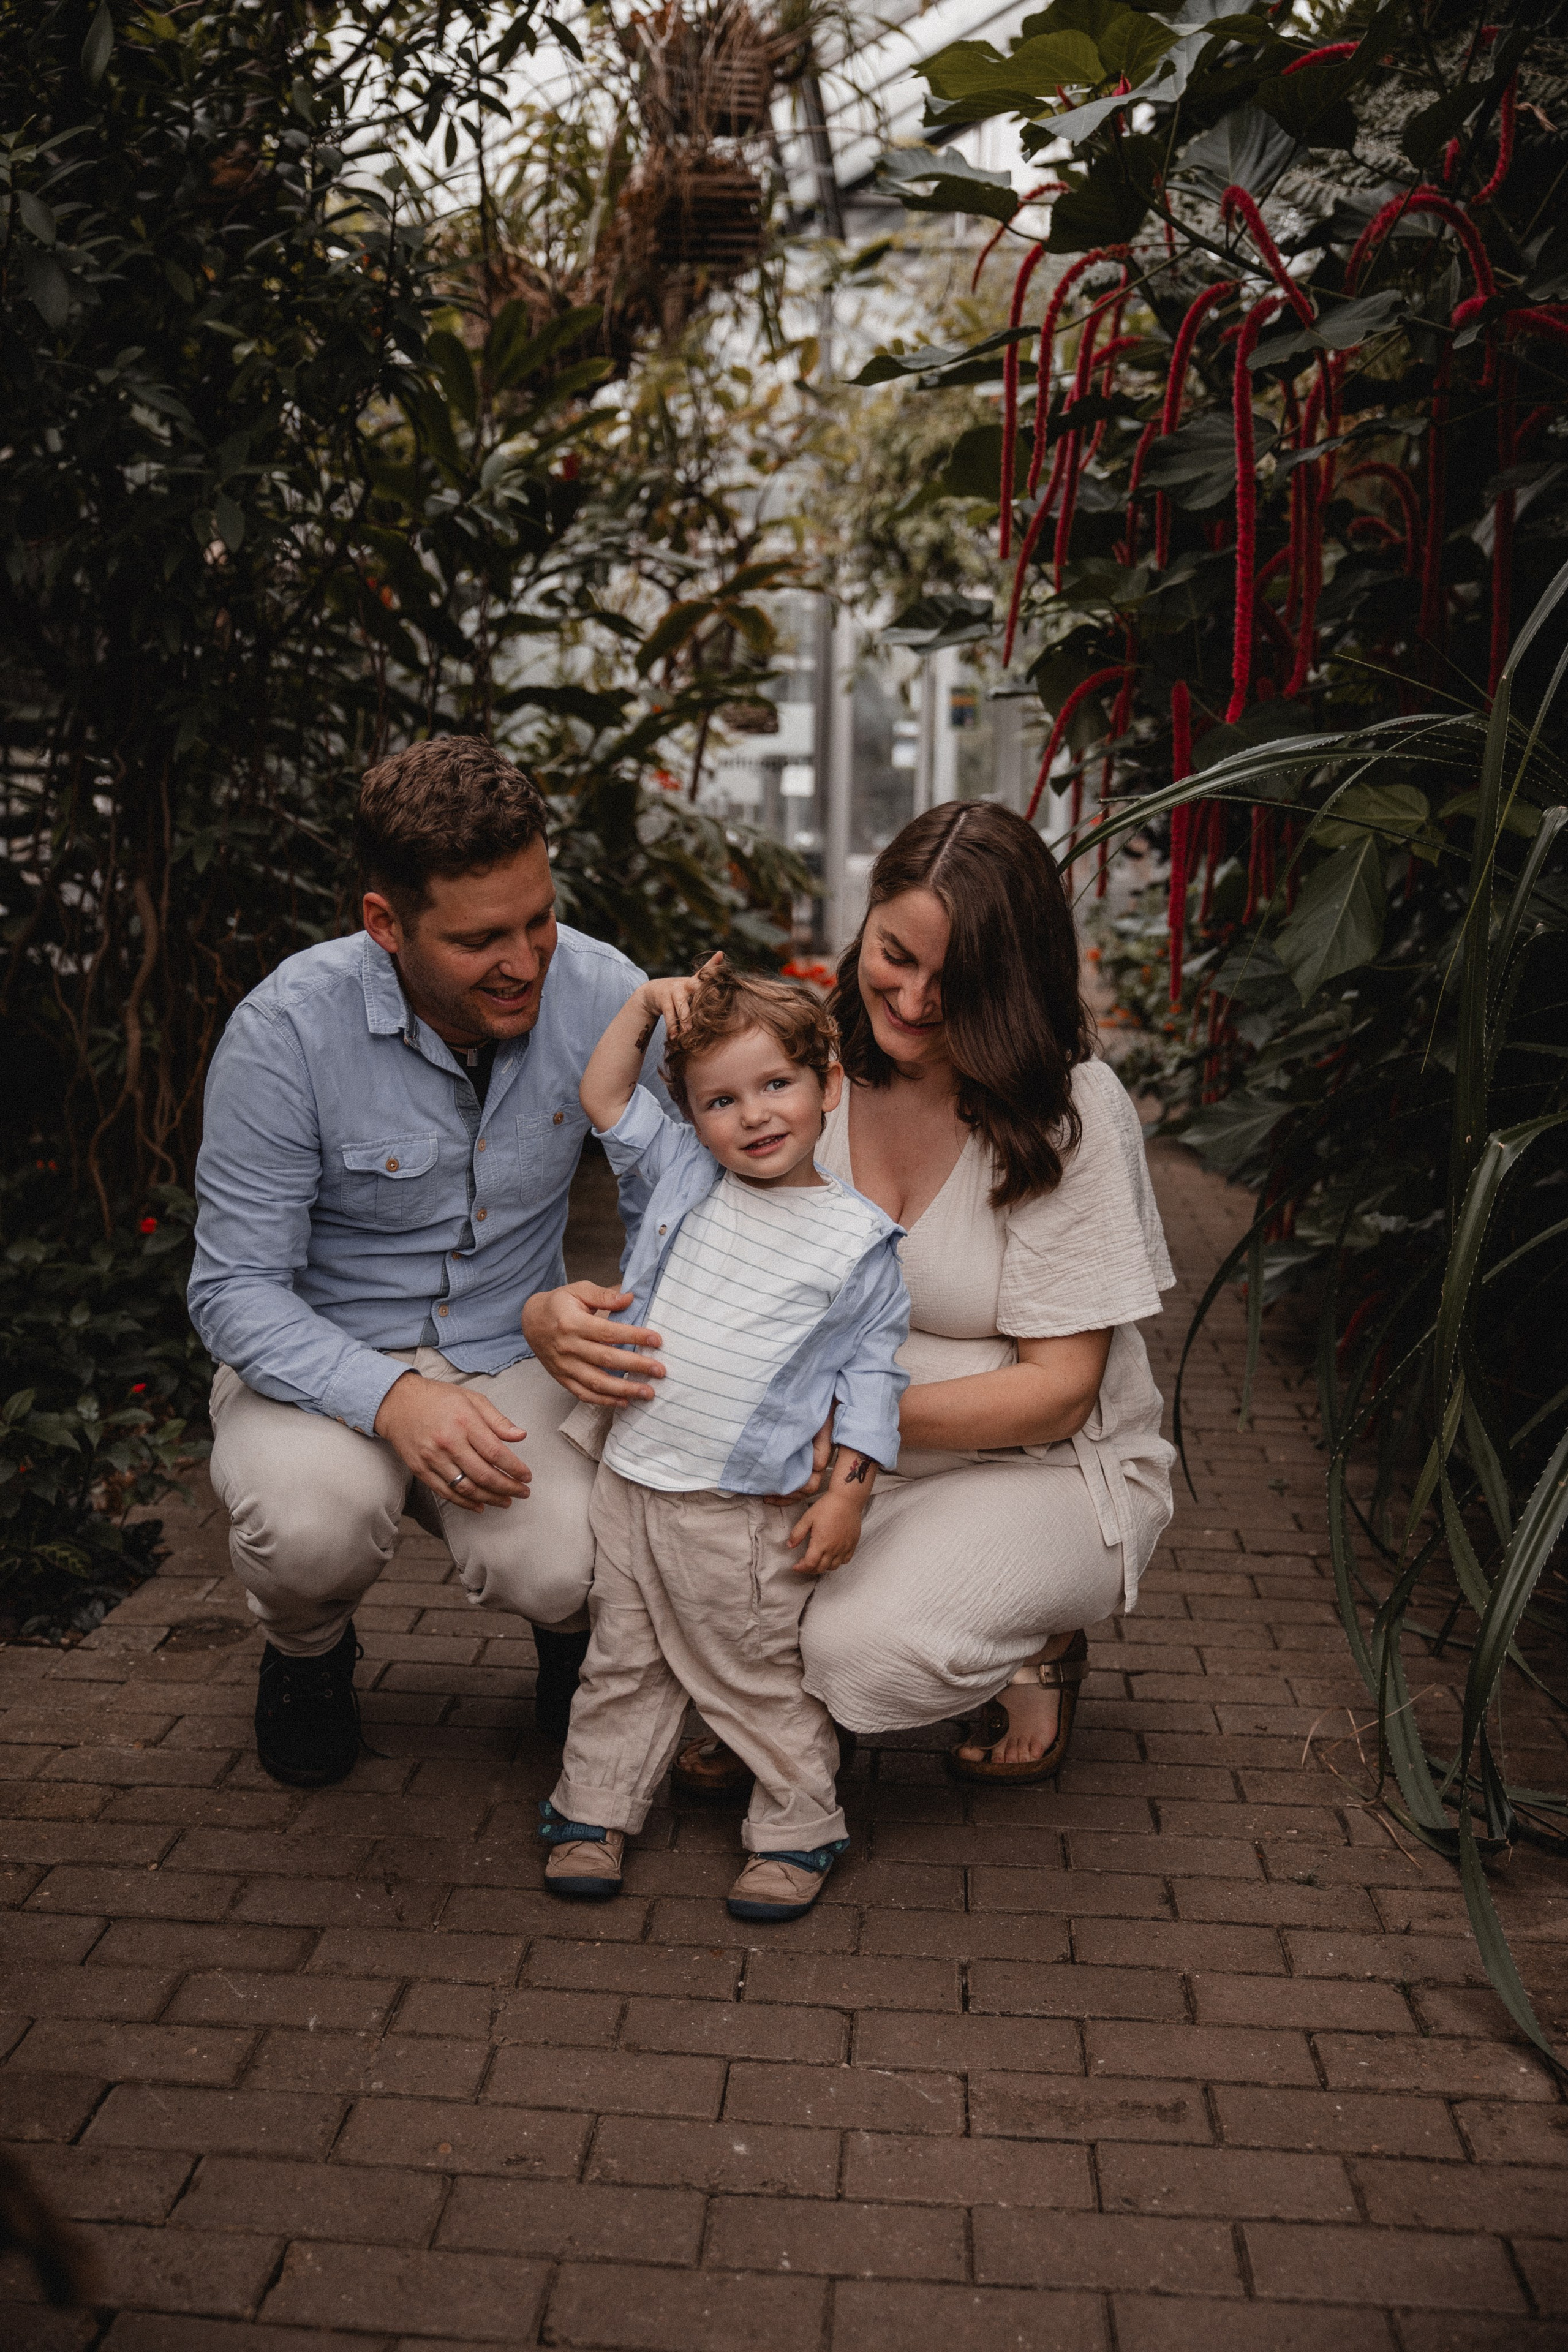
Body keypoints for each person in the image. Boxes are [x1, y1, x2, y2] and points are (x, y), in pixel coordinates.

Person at [189, 739, 680, 1787]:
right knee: (309, 1527)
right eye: (479, 939)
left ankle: (570, 1643)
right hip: (318, 1366)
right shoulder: (285, 1031)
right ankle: (308, 1656)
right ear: (385, 925)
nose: (527, 959)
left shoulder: (606, 994)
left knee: (577, 1559)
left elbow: (685, 1196)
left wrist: (612, 1319)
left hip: (513, 1352)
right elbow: (233, 1290)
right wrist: (394, 1398)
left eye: (539, 918)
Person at [682, 797, 1176, 1790]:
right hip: (848, 1462)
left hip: (1039, 1468)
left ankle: (1039, 1643)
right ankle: (790, 1681)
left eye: (955, 981)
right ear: (866, 922)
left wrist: (846, 1417)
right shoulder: (805, 1067)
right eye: (895, 954)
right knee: (660, 1553)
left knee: (859, 1657)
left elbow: (1060, 1390)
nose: (909, 999)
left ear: (1015, 980)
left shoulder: (1068, 1109)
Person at [538, 961, 909, 1920]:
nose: (752, 1116)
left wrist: (850, 1493)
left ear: (828, 1084)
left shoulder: (855, 1242)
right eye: (720, 1100)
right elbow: (602, 1094)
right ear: (693, 1117)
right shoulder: (680, 1174)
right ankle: (594, 1810)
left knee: (746, 1668)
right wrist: (643, 1003)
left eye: (775, 1085)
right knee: (623, 1654)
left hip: (739, 1506)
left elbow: (873, 1382)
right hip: (632, 1474)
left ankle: (800, 1823)